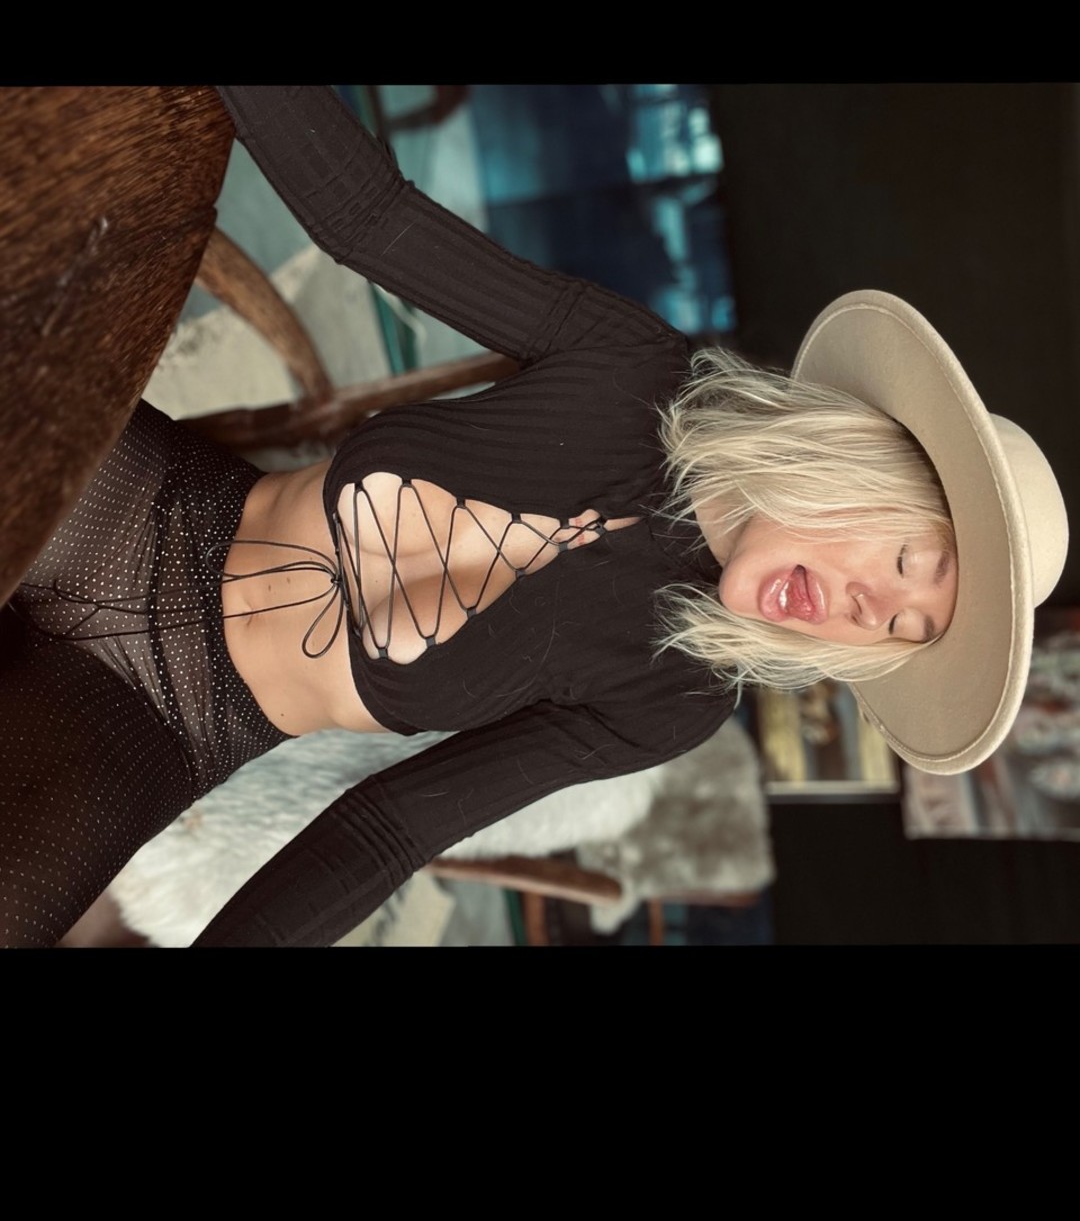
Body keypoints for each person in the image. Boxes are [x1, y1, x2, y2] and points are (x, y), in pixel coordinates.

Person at [0, 85, 1068, 948]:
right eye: (906, 561)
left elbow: (392, 826)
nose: (867, 610)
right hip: (138, 512)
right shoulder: (631, 363)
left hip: (159, 729)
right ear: (867, 471)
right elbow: (371, 222)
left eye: (901, 630)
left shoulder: (673, 701)